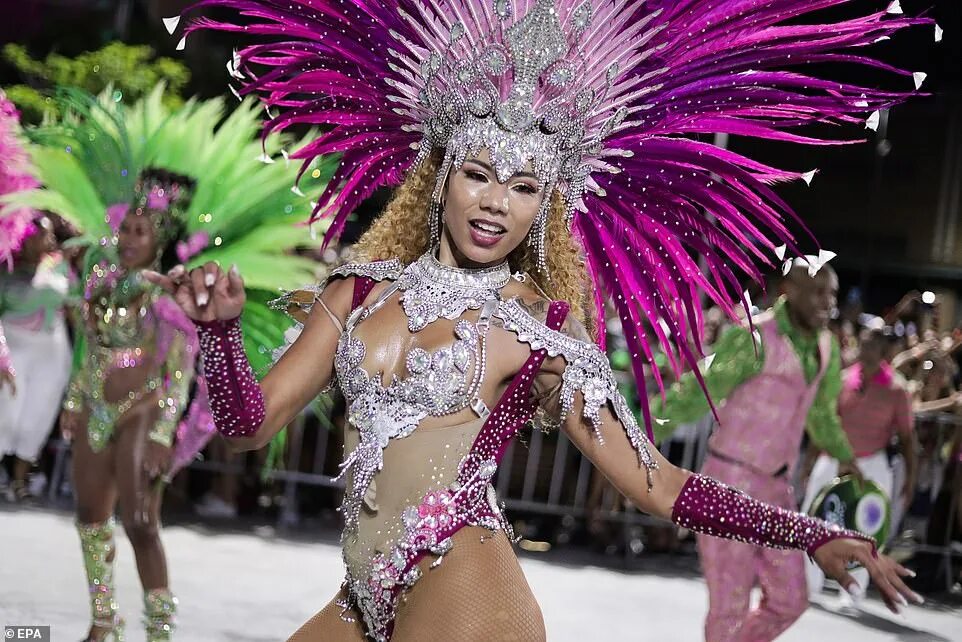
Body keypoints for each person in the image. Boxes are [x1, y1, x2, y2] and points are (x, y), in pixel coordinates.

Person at [165, 1, 931, 639]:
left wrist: (809, 531)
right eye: (478, 174)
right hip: (365, 595)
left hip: (464, 593)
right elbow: (246, 426)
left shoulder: (535, 333)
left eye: (526, 186)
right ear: (439, 179)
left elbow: (658, 484)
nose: (497, 202)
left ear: (545, 207)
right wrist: (221, 334)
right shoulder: (358, 293)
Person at [21, 86, 331, 642]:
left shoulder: (170, 297)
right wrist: (72, 401)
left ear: (160, 238)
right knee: (90, 520)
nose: (126, 238)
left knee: (140, 522)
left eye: (140, 231)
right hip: (95, 403)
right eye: (124, 228)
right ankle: (102, 622)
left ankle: (159, 629)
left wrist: (165, 429)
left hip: (145, 411)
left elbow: (180, 369)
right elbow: (89, 346)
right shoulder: (98, 282)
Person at [651, 261, 865, 640]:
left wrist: (844, 454)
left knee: (791, 599)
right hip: (728, 483)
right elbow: (702, 390)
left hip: (776, 491)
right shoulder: (753, 336)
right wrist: (641, 423)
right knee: (728, 607)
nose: (828, 302)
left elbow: (821, 414)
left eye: (832, 293)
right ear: (788, 290)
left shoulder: (827, 346)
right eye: (818, 291)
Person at [801, 327, 917, 602]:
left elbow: (908, 439)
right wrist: (809, 462)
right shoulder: (842, 380)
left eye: (873, 347)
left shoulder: (898, 389)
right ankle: (808, 584)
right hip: (834, 457)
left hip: (872, 462)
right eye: (863, 345)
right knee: (812, 517)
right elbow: (827, 424)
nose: (866, 352)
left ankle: (853, 589)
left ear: (884, 352)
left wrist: (911, 479)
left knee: (868, 529)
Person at [0, 215, 73, 502]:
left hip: (52, 350)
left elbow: (76, 306)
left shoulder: (63, 267)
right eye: (42, 233)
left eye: (51, 234)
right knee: (7, 412)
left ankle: (20, 481)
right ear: (26, 235)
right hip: (13, 345)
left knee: (38, 415)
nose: (49, 239)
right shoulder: (7, 267)